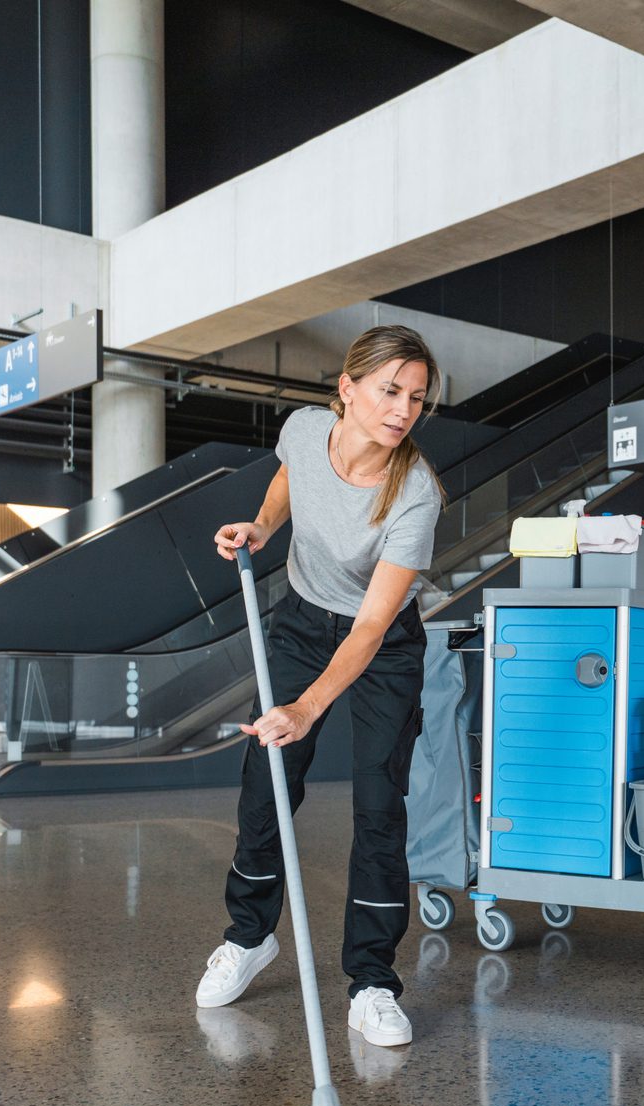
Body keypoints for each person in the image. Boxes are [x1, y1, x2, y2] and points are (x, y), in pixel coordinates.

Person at [195, 325, 444, 1048]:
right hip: (300, 624)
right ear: (347, 389)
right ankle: (247, 938)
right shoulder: (305, 430)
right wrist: (264, 525)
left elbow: (370, 628)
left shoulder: (415, 496)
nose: (402, 410)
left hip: (384, 645)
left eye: (416, 398)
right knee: (266, 779)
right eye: (389, 390)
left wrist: (309, 706)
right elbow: (287, 478)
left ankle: (371, 983)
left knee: (378, 804)